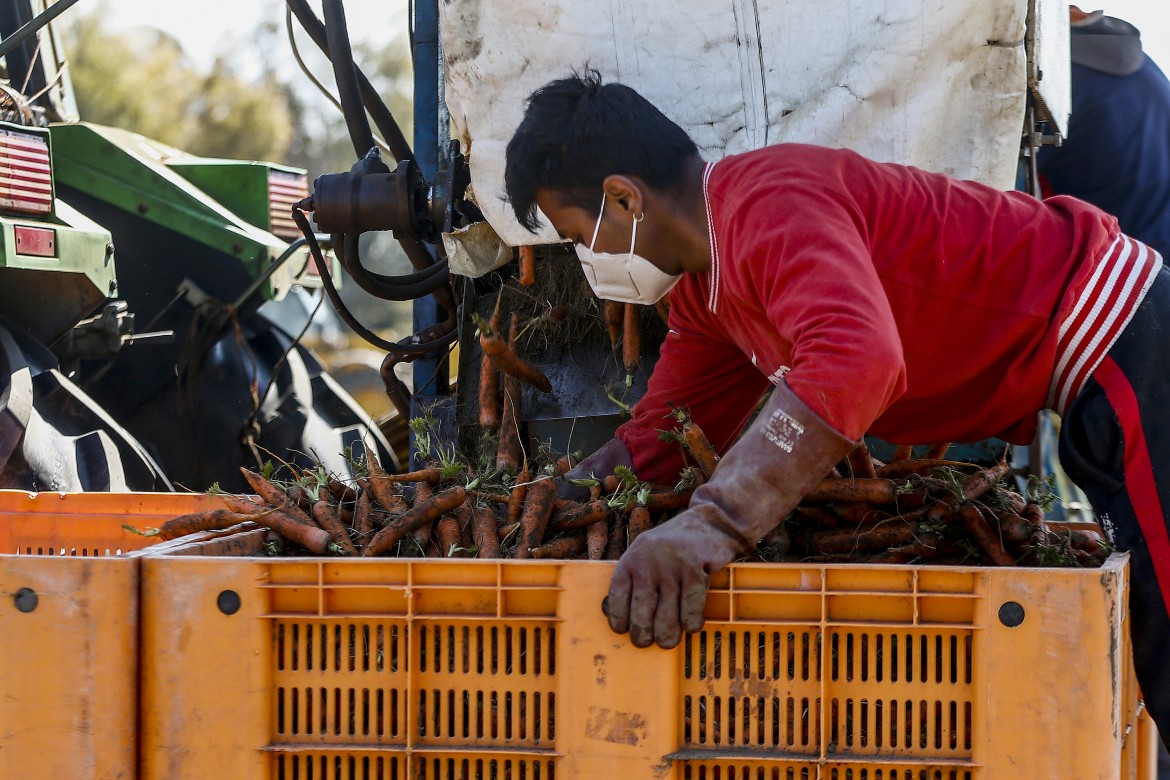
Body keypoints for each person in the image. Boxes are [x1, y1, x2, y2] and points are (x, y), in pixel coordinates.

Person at [503, 69, 1170, 740]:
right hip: (1089, 375)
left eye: (575, 236)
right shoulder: (706, 296)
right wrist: (553, 501)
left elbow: (857, 361)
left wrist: (716, 524)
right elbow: (670, 431)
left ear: (623, 198)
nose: (585, 260)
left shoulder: (766, 203)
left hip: (1126, 337)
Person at [1037, 7, 1170, 257]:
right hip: (1151, 259)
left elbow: (992, 174)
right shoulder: (1141, 65)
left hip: (1123, 266)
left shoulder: (1059, 80)